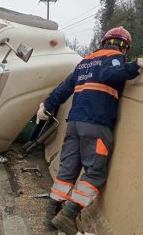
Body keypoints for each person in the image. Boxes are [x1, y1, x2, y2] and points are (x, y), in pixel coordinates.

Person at [37, 26, 143, 235]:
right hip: (97, 123)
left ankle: (51, 216)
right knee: (95, 172)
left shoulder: (84, 62)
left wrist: (47, 106)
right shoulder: (115, 57)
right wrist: (135, 66)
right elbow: (109, 73)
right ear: (124, 46)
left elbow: (64, 88)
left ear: (104, 41)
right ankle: (68, 215)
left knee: (68, 169)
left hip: (74, 122)